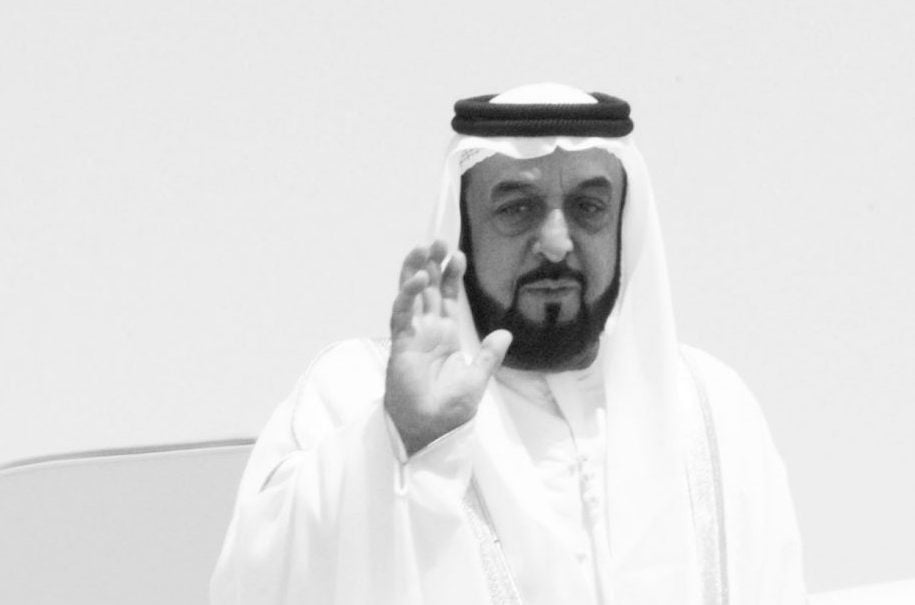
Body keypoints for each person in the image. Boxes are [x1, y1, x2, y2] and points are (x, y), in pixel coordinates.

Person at [211, 83, 806, 604]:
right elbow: (257, 581)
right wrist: (400, 441)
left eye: (589, 208)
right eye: (517, 208)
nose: (557, 242)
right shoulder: (355, 390)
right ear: (464, 230)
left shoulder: (709, 405)